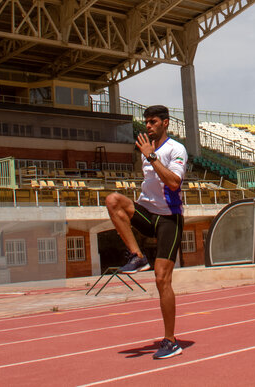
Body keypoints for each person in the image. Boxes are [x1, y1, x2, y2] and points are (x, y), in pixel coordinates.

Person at [105, 105, 187, 360]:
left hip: (169, 219)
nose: (147, 126)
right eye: (146, 122)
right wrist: (148, 155)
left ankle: (171, 340)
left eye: (152, 122)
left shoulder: (176, 149)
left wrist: (152, 157)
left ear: (165, 123)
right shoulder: (145, 151)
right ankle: (137, 255)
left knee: (162, 279)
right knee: (113, 200)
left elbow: (174, 182)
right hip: (147, 213)